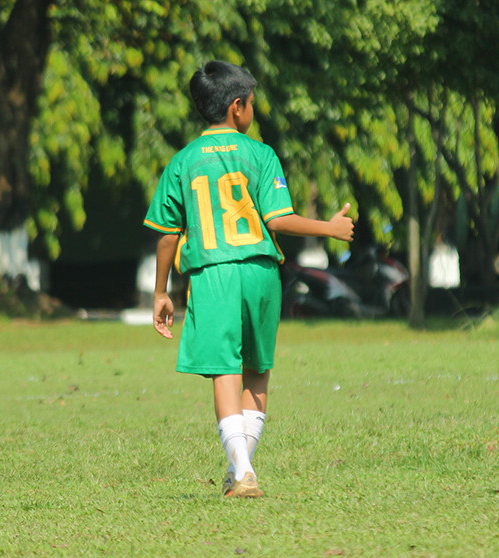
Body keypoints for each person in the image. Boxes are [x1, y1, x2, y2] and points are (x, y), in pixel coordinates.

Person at [144, 60, 354, 498]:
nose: (253, 111)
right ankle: (240, 470)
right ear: (237, 107)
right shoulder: (260, 154)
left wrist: (162, 291)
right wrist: (329, 228)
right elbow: (280, 219)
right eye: (252, 104)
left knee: (225, 372)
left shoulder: (182, 162)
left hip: (213, 274)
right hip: (260, 273)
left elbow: (166, 236)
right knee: (256, 373)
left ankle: (242, 473)